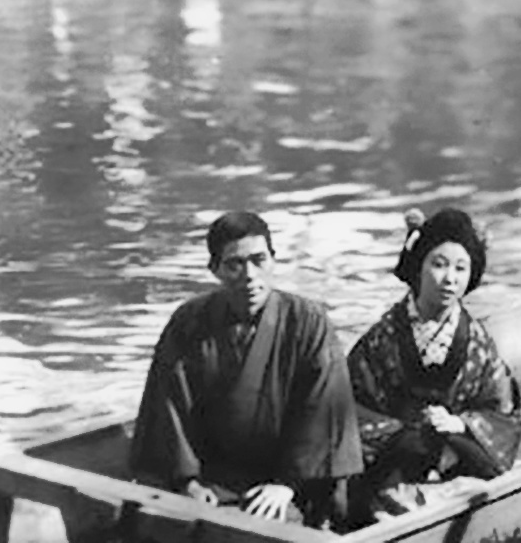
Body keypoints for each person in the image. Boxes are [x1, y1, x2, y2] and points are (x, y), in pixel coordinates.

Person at [128, 211, 362, 529]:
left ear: (274, 260)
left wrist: (287, 485)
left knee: (273, 532)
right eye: (234, 264)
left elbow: (323, 410)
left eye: (259, 259)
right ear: (215, 270)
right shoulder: (188, 322)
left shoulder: (308, 323)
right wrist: (188, 483)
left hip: (285, 483)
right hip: (210, 479)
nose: (250, 275)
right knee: (155, 524)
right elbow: (169, 407)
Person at [345, 208, 521, 524]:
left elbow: (503, 411)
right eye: (438, 265)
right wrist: (406, 433)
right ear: (418, 267)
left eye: (461, 268)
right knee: (379, 496)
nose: (450, 279)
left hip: (458, 457)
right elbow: (351, 404)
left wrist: (462, 424)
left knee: (479, 481)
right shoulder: (382, 338)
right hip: (393, 461)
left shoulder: (477, 342)